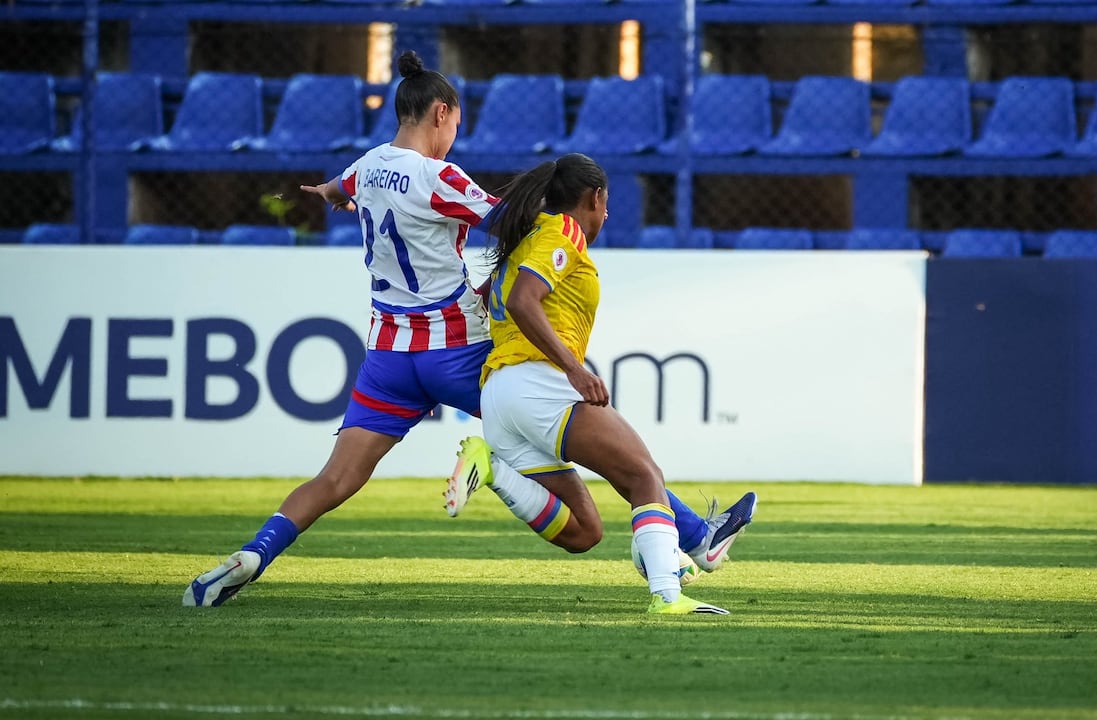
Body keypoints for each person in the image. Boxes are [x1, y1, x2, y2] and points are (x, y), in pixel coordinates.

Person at [183, 52, 751, 607]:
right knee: (590, 446)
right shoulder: (437, 177)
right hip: (457, 347)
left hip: (387, 356)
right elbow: (510, 220)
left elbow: (335, 189)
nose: (455, 132)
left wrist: (324, 194)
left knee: (334, 480)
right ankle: (692, 535)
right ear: (441, 113)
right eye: (456, 121)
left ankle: (254, 554)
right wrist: (564, 211)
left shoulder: (367, 167)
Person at [448, 152, 751, 615]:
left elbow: (491, 298)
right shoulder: (564, 231)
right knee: (643, 475)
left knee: (584, 531)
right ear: (594, 197)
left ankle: (492, 470)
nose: (606, 216)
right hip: (538, 384)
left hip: (500, 399)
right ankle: (668, 595)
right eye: (606, 205)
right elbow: (525, 302)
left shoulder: (524, 241)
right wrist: (574, 368)